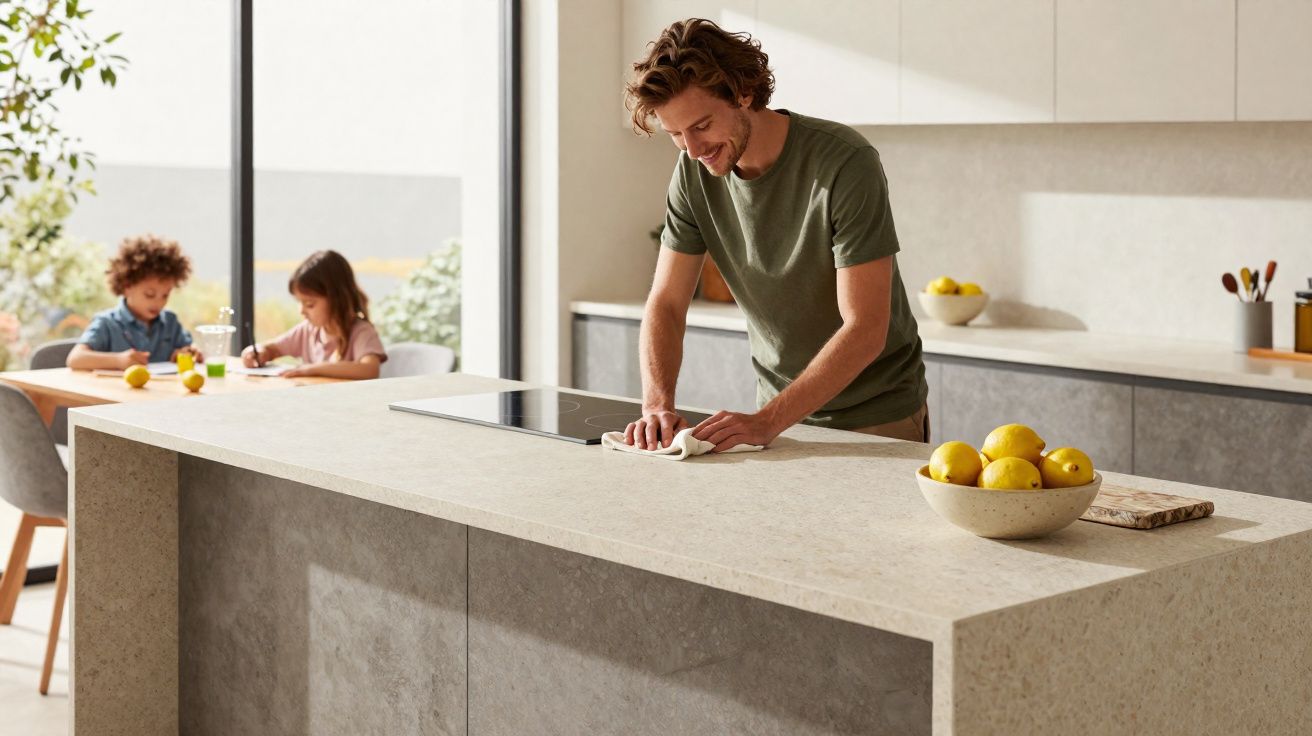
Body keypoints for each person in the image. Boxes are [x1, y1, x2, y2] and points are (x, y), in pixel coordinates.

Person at [621, 18, 928, 452]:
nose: (692, 149)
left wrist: (767, 421)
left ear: (743, 92)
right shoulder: (692, 174)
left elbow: (866, 327)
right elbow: (667, 304)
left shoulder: (844, 162)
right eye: (675, 134)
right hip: (778, 416)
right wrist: (657, 405)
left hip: (876, 417)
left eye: (702, 125)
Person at [242, 250, 387, 379]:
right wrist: (259, 352)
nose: (302, 311)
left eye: (310, 304)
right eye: (299, 302)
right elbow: (274, 349)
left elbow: (369, 369)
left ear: (337, 299)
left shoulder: (361, 332)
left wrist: (311, 369)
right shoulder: (308, 330)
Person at [67, 234, 199, 370]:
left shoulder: (170, 323)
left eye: (165, 295)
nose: (159, 303)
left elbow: (191, 348)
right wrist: (118, 360)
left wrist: (188, 352)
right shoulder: (107, 323)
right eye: (149, 295)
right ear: (127, 287)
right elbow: (75, 359)